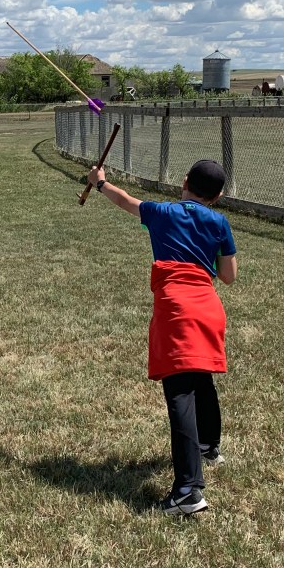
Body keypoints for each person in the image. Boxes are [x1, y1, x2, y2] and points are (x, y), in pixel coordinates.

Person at [87, 159, 237, 516]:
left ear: (184, 182)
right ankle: (208, 446)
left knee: (180, 392)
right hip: (208, 307)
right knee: (200, 377)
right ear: (216, 197)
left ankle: (188, 490)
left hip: (177, 308)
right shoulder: (219, 222)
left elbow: (125, 201)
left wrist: (99, 182)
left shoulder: (162, 212)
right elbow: (228, 276)